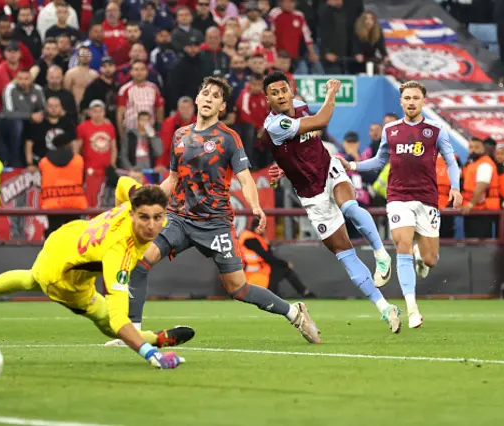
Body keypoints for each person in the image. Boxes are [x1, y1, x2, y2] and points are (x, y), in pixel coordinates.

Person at [108, 76, 321, 347]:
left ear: (222, 106)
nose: (208, 98)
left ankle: (294, 312)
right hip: (179, 219)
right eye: (205, 93)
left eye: (215, 96)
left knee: (238, 289)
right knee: (139, 263)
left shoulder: (228, 138)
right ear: (197, 99)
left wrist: (255, 205)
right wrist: (146, 203)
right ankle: (133, 335)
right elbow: (173, 179)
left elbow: (245, 178)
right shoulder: (180, 135)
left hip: (216, 224)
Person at [0, 178, 192, 370]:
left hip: (66, 238)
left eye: (158, 217)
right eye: (144, 218)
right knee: (107, 320)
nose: (152, 226)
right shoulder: (119, 253)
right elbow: (118, 321)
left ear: (165, 214)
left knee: (30, 278)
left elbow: (123, 182)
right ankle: (156, 341)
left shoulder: (134, 200)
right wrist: (150, 354)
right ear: (133, 214)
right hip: (63, 279)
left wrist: (114, 215)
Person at [264, 71, 401, 333]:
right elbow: (322, 120)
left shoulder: (301, 108)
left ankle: (381, 254)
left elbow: (309, 135)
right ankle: (385, 308)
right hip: (310, 195)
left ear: (291, 91)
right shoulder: (274, 124)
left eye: (284, 90)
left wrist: (283, 164)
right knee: (345, 253)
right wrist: (331, 93)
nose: (281, 96)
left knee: (350, 206)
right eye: (274, 93)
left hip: (328, 169)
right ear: (267, 99)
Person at [338, 80, 462, 329]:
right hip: (398, 197)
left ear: (423, 101)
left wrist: (456, 187)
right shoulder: (391, 130)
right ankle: (412, 308)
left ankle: (420, 256)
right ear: (401, 101)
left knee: (430, 260)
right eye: (407, 98)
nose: (411, 102)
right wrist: (352, 165)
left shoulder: (436, 130)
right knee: (402, 244)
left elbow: (450, 161)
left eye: (416, 98)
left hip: (427, 198)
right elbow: (379, 161)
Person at [239, 219, 316, 298]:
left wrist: (268, 245)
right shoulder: (250, 239)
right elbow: (268, 257)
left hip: (260, 273)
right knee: (284, 268)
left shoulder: (254, 237)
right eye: (262, 228)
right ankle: (304, 292)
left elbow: (267, 255)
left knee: (282, 270)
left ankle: (304, 292)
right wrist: (285, 263)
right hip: (254, 277)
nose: (264, 231)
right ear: (257, 227)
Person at [461, 137, 499, 239]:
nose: (473, 150)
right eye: (471, 147)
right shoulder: (473, 164)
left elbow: (481, 187)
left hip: (480, 210)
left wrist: (470, 204)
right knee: (472, 241)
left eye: (477, 147)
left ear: (483, 149)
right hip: (475, 209)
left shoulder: (484, 164)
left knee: (479, 244)